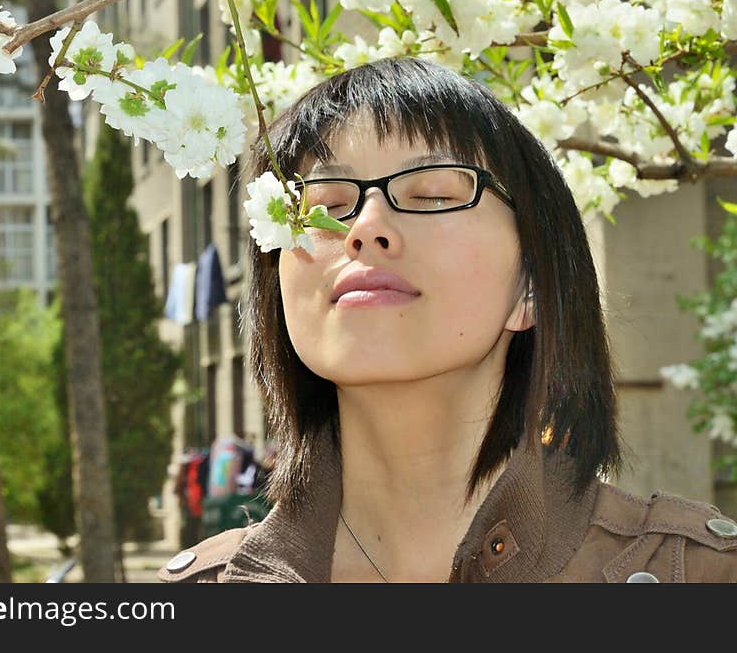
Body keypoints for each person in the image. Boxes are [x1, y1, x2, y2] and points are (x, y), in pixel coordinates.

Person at [159, 56, 737, 583]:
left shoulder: (697, 575)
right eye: (326, 206)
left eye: (433, 194)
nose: (362, 227)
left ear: (531, 287)